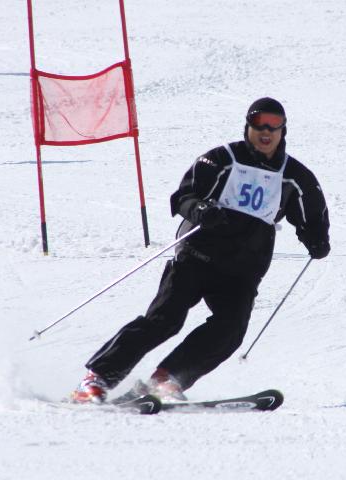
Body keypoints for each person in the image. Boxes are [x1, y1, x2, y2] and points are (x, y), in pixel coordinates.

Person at [71, 97, 331, 403]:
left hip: (242, 269)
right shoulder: (222, 158)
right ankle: (97, 379)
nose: (266, 131)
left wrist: (316, 239)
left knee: (230, 330)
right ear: (248, 125)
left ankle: (167, 380)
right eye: (259, 123)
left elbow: (312, 213)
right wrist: (200, 209)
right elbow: (183, 196)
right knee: (164, 320)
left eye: (274, 125)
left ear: (283, 130)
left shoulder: (294, 176)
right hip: (197, 256)